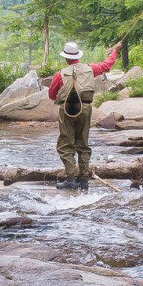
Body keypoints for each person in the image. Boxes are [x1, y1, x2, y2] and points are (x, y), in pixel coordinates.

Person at [48, 40, 122, 190]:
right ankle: (83, 180)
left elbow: (51, 95)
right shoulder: (90, 68)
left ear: (66, 57)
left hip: (67, 109)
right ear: (77, 55)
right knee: (83, 143)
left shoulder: (60, 74)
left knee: (65, 144)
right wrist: (114, 50)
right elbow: (106, 66)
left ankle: (70, 179)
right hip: (86, 108)